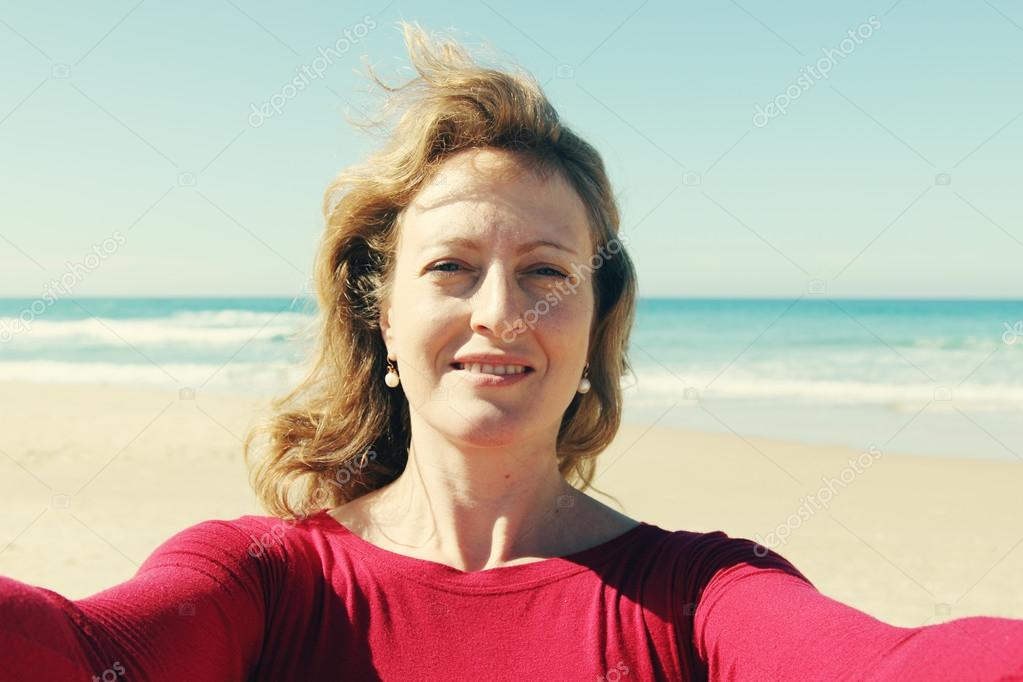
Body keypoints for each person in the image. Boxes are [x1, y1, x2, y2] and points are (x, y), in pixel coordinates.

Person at [2, 21, 1022, 682]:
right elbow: (77, 651)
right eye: (451, 267)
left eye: (546, 270)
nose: (502, 310)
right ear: (380, 315)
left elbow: (897, 665)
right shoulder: (263, 581)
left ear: (592, 320)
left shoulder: (698, 597)